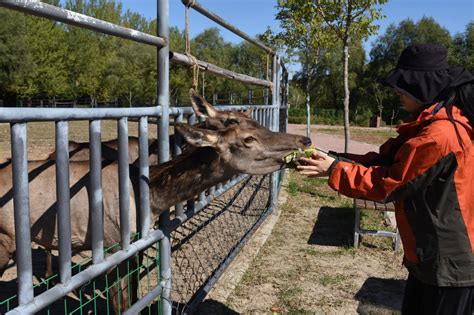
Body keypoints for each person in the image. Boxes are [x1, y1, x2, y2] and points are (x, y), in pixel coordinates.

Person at [297, 43, 474, 314]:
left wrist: (334, 170)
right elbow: (385, 161)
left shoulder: (439, 136)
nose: (396, 92)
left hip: (448, 261)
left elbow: (389, 184)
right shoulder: (432, 124)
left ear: (422, 87)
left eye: (402, 86)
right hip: (431, 254)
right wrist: (331, 157)